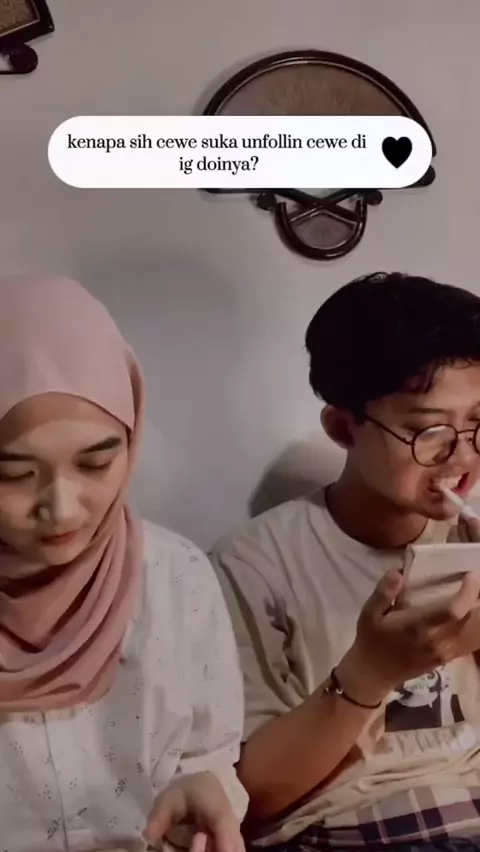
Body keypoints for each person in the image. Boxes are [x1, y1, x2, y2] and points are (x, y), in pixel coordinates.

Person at [210, 272, 480, 852]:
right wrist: (369, 673)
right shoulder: (252, 564)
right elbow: (249, 798)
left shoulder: (468, 540)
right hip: (342, 825)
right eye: (427, 430)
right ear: (342, 427)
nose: (460, 455)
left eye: (478, 423)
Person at [0, 275, 248, 852]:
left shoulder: (176, 576)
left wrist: (204, 792)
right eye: (13, 475)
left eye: (95, 464)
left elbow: (209, 755)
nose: (62, 509)